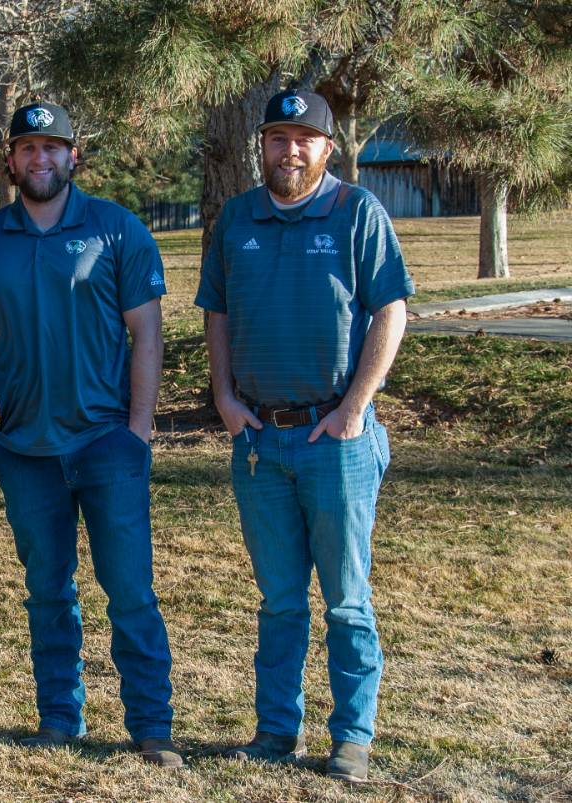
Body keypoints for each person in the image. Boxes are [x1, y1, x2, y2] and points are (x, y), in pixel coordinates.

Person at [195, 88, 413, 782]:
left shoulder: (357, 213)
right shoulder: (237, 217)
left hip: (336, 438)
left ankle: (351, 736)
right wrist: (224, 396)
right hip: (260, 438)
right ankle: (274, 731)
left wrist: (355, 407)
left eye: (303, 140)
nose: (289, 151)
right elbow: (218, 313)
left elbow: (391, 312)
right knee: (280, 600)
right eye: (277, 138)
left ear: (327, 148)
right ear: (260, 145)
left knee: (346, 600)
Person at [0, 102, 182, 769]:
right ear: (11, 159)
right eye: (27, 148)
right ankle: (60, 715)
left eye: (53, 147)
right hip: (25, 452)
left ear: (72, 156)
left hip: (106, 444)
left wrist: (137, 432)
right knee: (47, 590)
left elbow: (147, 333)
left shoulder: (115, 229)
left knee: (131, 592)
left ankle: (151, 726)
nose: (40, 159)